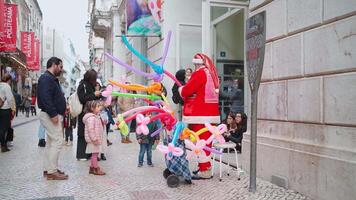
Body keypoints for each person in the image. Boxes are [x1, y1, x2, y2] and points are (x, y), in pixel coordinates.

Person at [179, 53, 220, 179]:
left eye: (195, 64)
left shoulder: (199, 73)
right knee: (206, 141)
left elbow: (187, 91)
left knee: (200, 141)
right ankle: (204, 166)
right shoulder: (212, 74)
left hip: (199, 113)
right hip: (211, 113)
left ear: (197, 64)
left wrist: (181, 89)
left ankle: (205, 170)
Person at [37, 57, 68, 180]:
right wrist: (53, 114)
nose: (61, 69)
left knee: (51, 143)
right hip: (50, 115)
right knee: (57, 141)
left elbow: (52, 96)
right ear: (54, 65)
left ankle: (48, 168)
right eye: (60, 67)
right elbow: (46, 98)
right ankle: (52, 171)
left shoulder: (50, 78)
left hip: (51, 114)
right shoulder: (46, 78)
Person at [76, 69, 101, 160]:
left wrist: (98, 94)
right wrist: (94, 94)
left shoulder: (90, 85)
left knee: (92, 132)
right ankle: (82, 154)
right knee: (83, 133)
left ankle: (91, 153)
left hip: (91, 112)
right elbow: (82, 99)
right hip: (84, 113)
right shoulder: (82, 85)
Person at [83, 100, 106, 175]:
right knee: (95, 155)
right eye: (98, 106)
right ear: (92, 108)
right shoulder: (91, 118)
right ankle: (96, 169)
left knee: (94, 154)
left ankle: (92, 168)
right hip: (93, 140)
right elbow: (91, 130)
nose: (100, 108)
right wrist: (94, 139)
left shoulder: (96, 117)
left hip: (95, 139)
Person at [0, 74, 16, 153]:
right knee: (5, 128)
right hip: (5, 110)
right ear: (9, 80)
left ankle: (3, 144)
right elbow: (10, 99)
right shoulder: (7, 86)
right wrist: (13, 109)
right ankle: (3, 145)